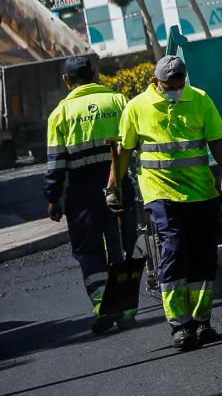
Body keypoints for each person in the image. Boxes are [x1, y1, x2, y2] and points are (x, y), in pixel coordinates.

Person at [111, 55, 222, 352]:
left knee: (204, 255)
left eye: (179, 82)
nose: (176, 88)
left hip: (201, 191)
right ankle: (180, 325)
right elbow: (123, 150)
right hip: (159, 191)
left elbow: (216, 138)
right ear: (156, 81)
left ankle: (202, 322)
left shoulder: (200, 100)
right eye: (170, 84)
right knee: (174, 246)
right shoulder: (136, 107)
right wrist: (113, 188)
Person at [43, 55, 136, 334]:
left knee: (88, 249)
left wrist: (53, 197)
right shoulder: (118, 101)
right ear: (96, 75)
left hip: (82, 193)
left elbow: (56, 163)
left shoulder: (60, 114)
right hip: (118, 184)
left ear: (67, 80)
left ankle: (104, 305)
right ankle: (127, 307)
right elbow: (134, 143)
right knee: (123, 243)